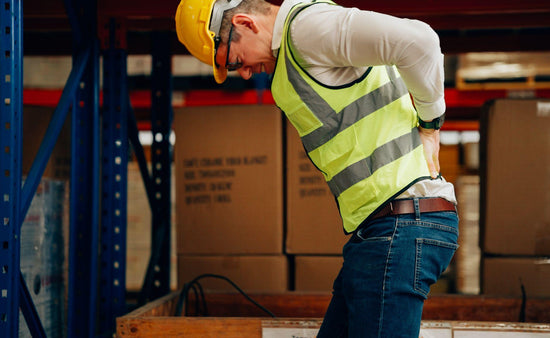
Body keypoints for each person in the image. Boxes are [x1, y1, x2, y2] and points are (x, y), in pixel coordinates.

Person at [175, 0, 459, 336]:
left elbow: (419, 41)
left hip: (402, 223)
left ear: (245, 23)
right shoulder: (295, 55)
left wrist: (431, 124)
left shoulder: (306, 29)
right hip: (380, 230)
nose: (247, 72)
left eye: (235, 62)